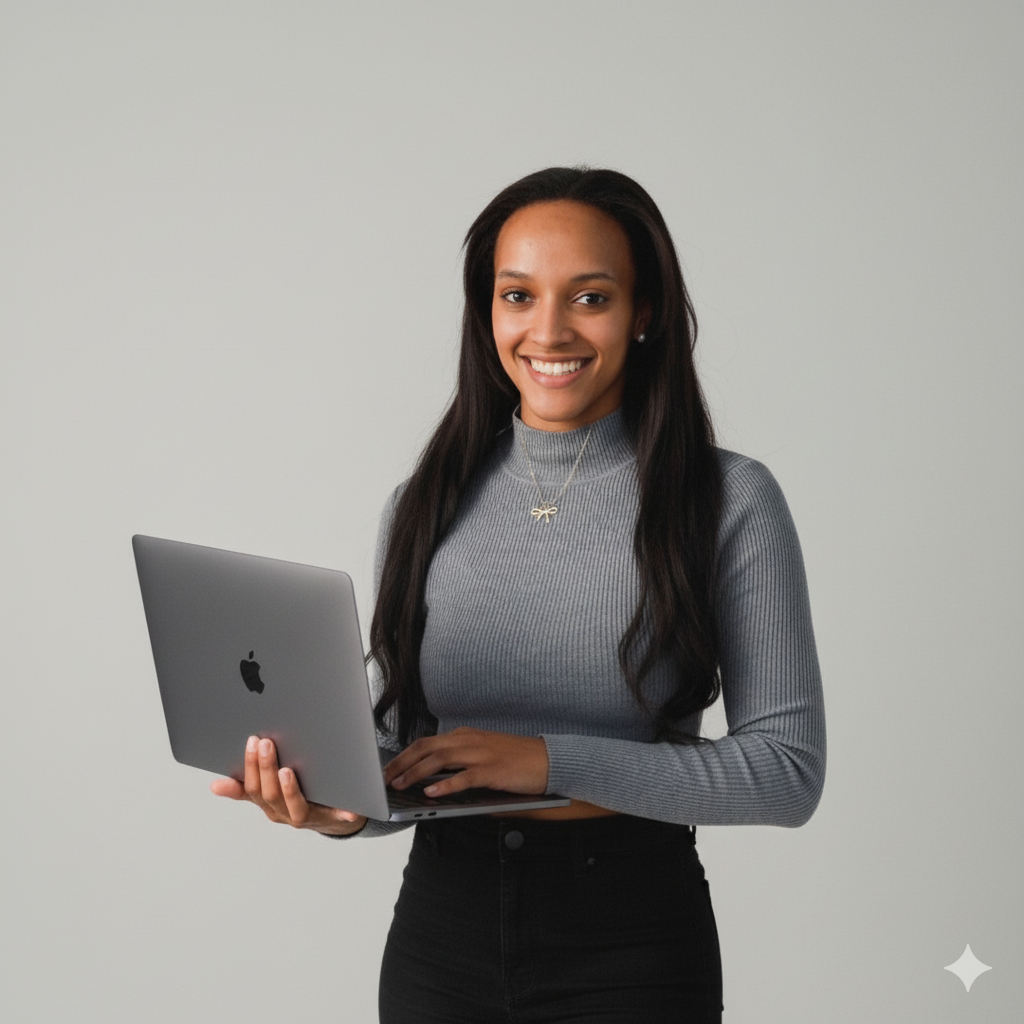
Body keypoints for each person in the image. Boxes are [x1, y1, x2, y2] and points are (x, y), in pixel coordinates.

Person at [211, 167, 826, 1023]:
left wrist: (545, 759)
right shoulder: (425, 498)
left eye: (590, 297)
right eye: (516, 296)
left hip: (633, 943)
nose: (548, 330)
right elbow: (401, 749)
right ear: (486, 311)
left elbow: (786, 773)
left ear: (644, 311)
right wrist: (336, 808)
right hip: (442, 933)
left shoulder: (728, 500)